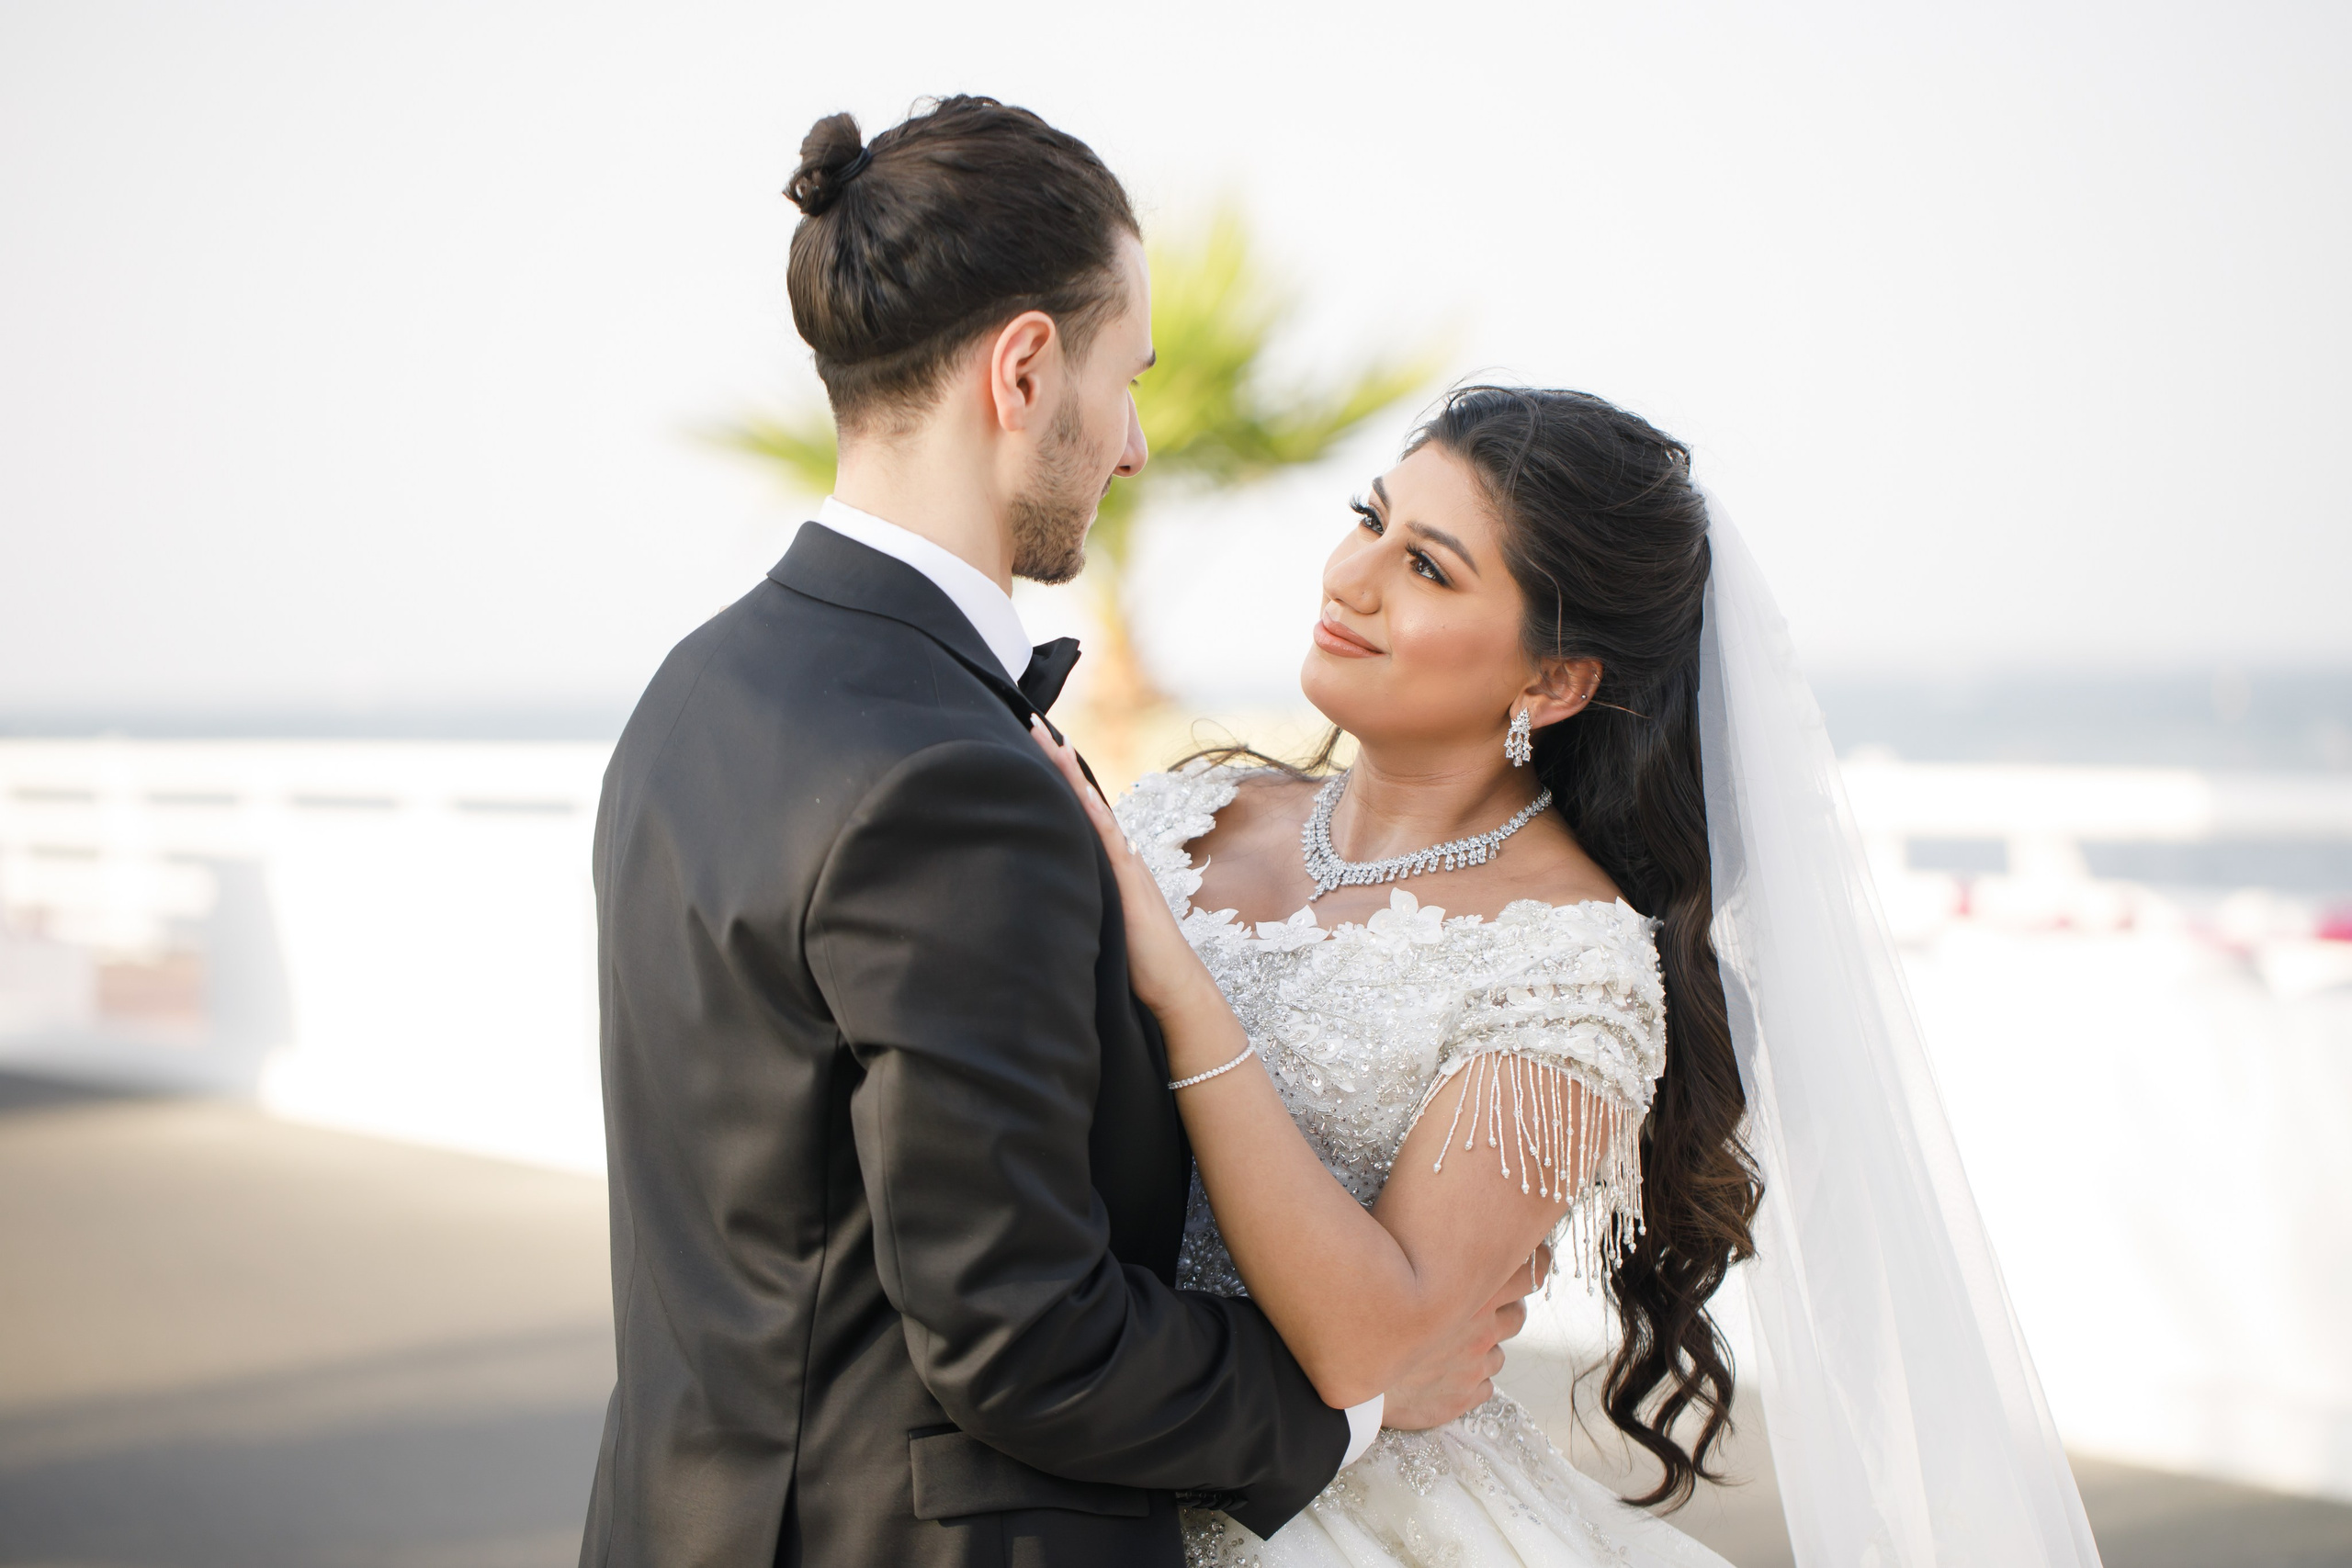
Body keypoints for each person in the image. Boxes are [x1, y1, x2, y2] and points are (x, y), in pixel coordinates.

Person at [579, 99, 1531, 1568]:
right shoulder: (948, 779)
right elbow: (1024, 1331)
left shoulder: (695, 688)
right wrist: (1353, 1405)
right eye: (1125, 378)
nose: (1137, 446)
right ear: (1026, 370)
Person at [1034, 386, 2104, 1566]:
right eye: (1368, 518)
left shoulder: (1569, 960)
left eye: (1430, 569)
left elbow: (1364, 1348)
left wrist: (1184, 993)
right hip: (1074, 1438)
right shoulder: (1185, 813)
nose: (1350, 576)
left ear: (1551, 685)